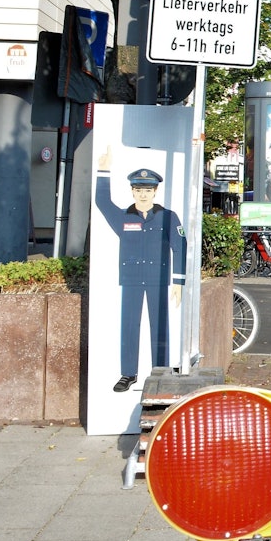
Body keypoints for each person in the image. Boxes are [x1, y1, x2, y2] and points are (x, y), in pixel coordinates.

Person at [94, 148, 186, 393]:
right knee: (129, 325)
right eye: (138, 190)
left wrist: (178, 282)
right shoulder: (123, 217)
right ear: (132, 191)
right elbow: (102, 202)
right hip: (131, 279)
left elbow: (179, 246)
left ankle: (160, 371)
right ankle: (128, 374)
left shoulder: (168, 217)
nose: (143, 194)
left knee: (160, 325)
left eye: (147, 190)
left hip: (158, 278)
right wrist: (103, 170)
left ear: (155, 192)